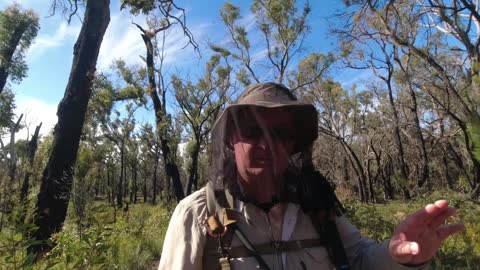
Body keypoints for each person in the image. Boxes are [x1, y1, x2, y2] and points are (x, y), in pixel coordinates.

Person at [158, 82, 465, 270]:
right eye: (254, 132)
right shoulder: (197, 213)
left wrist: (397, 254)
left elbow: (359, 259)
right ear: (231, 139)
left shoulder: (315, 205)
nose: (267, 144)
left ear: (294, 145)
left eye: (280, 134)